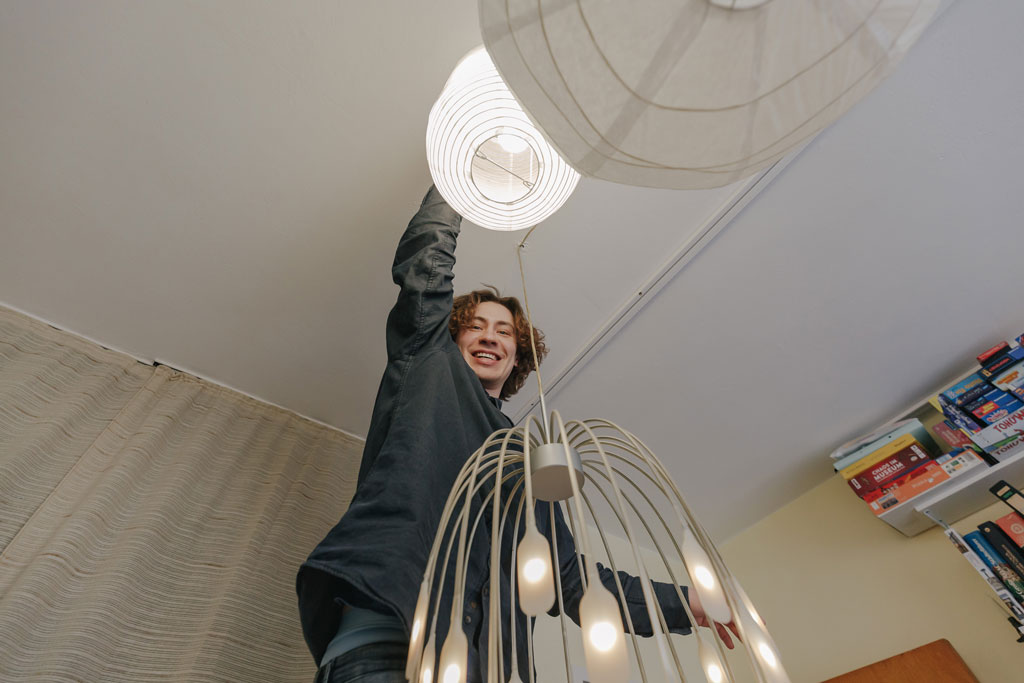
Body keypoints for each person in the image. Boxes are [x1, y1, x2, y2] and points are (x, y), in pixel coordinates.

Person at [297, 186, 735, 683]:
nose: (490, 335)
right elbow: (426, 266)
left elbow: (571, 580)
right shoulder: (430, 364)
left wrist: (689, 602)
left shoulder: (528, 461)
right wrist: (457, 183)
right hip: (387, 643)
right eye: (475, 325)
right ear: (451, 335)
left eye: (504, 331)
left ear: (517, 356)